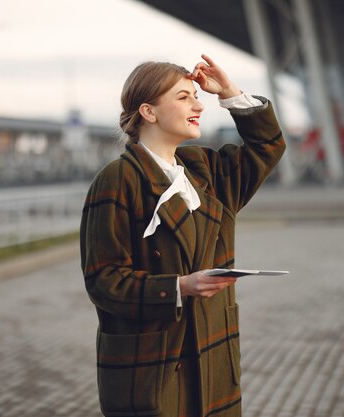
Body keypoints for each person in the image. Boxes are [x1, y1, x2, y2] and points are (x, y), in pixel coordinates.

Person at [80, 54, 286, 417]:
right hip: (154, 365)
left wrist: (229, 92)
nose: (198, 105)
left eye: (196, 95)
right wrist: (179, 287)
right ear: (149, 112)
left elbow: (267, 148)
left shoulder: (203, 170)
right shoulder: (118, 179)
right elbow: (103, 280)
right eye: (183, 97)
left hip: (213, 357)